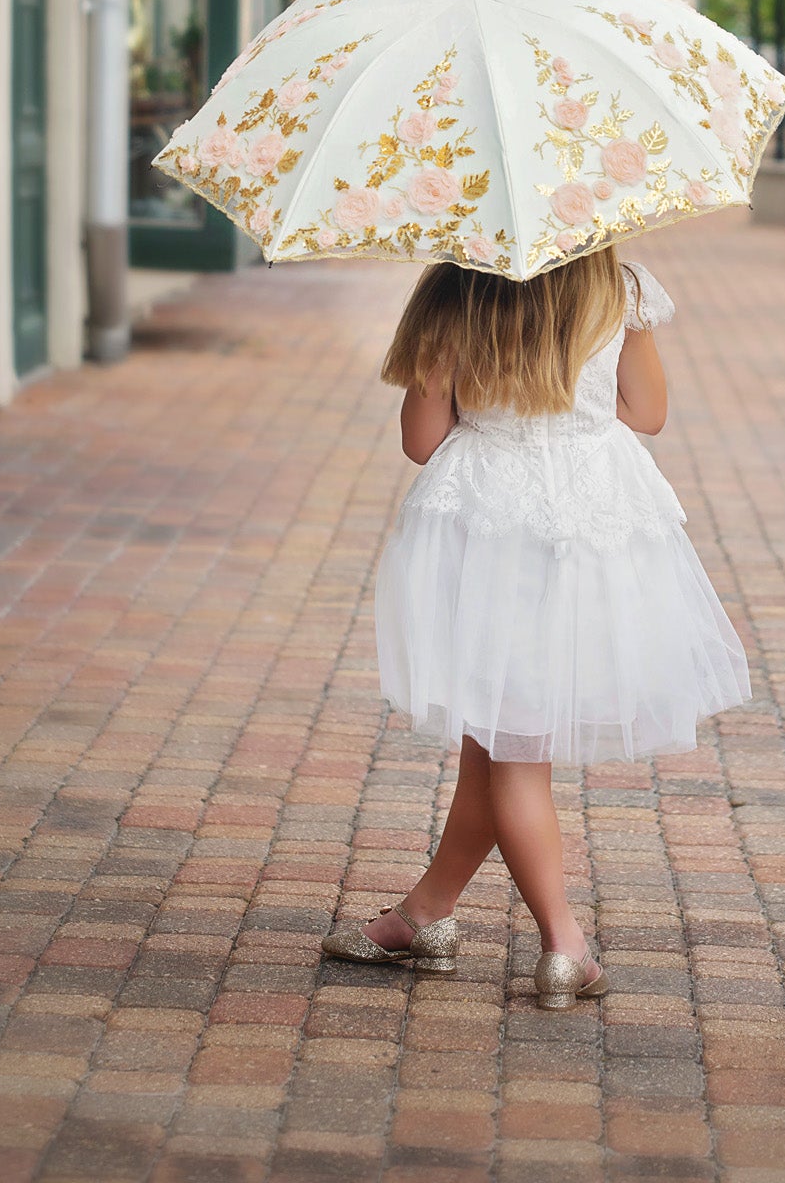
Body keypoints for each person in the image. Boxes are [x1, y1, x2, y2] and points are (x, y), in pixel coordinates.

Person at [320, 247, 751, 1009]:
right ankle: (425, 914)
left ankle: (563, 946)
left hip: (487, 525)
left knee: (511, 751)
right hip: (592, 521)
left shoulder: (456, 289)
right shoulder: (615, 286)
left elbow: (421, 442)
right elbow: (647, 413)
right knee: (494, 744)